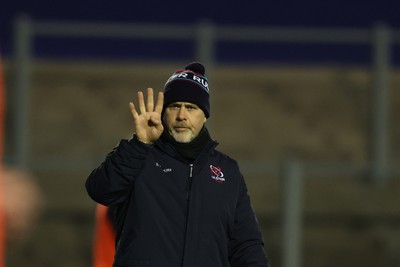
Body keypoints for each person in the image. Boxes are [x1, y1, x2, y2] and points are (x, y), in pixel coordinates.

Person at [85, 62, 270, 267]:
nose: (182, 115)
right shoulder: (139, 157)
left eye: (191, 108)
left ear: (204, 116)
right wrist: (139, 144)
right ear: (164, 113)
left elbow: (246, 246)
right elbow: (100, 190)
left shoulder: (228, 171)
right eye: (174, 106)